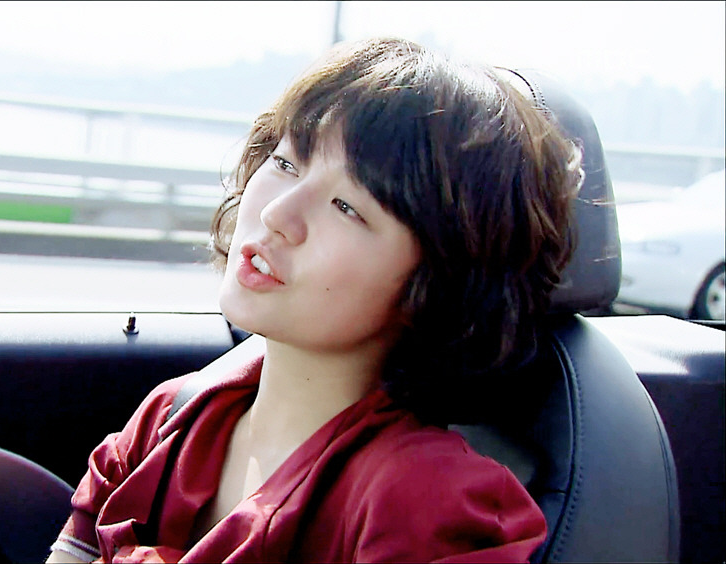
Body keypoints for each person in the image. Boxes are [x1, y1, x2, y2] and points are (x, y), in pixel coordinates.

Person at [47, 36, 583, 563]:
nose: (278, 213)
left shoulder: (424, 504)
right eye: (286, 163)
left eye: (347, 207)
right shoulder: (173, 417)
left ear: (440, 280)